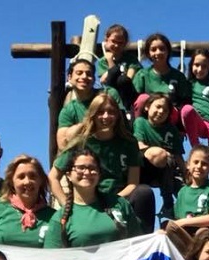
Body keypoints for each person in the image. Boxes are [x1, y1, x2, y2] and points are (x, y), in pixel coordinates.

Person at [50, 93, 156, 232]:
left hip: (119, 197)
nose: (106, 116)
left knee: (144, 193)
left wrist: (113, 201)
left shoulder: (128, 143)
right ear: (93, 114)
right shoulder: (81, 142)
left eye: (111, 112)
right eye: (100, 112)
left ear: (118, 115)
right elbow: (53, 177)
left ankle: (143, 241)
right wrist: (68, 208)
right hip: (88, 199)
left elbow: (132, 183)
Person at [44, 149, 142, 248]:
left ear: (99, 175)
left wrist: (157, 238)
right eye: (80, 168)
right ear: (68, 175)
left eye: (92, 168)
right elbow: (52, 259)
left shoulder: (120, 204)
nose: (87, 172)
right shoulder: (60, 219)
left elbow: (139, 244)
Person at [164, 145, 209, 254]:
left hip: (206, 234)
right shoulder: (182, 192)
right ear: (188, 165)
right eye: (196, 162)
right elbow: (178, 220)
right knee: (165, 229)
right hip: (186, 236)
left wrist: (184, 222)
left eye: (204, 164)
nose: (199, 166)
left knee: (202, 232)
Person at [132, 93, 185, 220]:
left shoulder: (171, 129)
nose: (161, 111)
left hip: (168, 170)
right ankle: (168, 203)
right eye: (158, 107)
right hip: (146, 166)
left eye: (165, 110)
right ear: (147, 107)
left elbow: (178, 156)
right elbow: (138, 145)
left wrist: (186, 173)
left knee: (183, 186)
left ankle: (182, 211)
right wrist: (162, 152)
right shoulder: (141, 122)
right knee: (164, 155)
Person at [57, 59, 125, 150]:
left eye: (89, 74)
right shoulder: (68, 110)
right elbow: (62, 143)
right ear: (69, 77)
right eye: (79, 73)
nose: (84, 76)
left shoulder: (109, 94)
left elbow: (121, 126)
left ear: (93, 78)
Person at [131, 32, 193, 118]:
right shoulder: (142, 75)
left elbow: (185, 101)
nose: (158, 52)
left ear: (168, 51)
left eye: (162, 48)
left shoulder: (178, 76)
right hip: (147, 117)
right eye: (153, 49)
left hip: (170, 117)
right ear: (148, 53)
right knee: (142, 98)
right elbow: (135, 101)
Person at [97, 23, 141, 110]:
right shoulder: (102, 61)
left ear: (125, 44)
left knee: (122, 79)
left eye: (120, 43)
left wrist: (110, 62)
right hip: (111, 93)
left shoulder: (130, 59)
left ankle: (126, 109)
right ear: (107, 40)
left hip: (127, 93)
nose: (116, 45)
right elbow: (103, 79)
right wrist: (109, 60)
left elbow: (128, 78)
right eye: (113, 41)